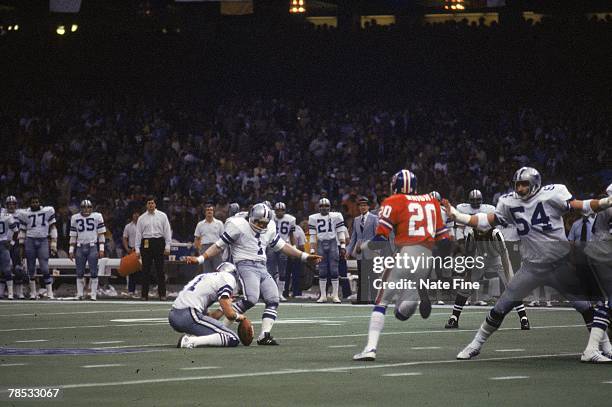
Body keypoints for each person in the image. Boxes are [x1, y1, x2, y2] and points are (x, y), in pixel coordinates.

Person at [447, 167, 612, 363]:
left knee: (585, 307)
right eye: (518, 184)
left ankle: (603, 348)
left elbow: (580, 205)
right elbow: (486, 220)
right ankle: (474, 345)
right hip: (531, 267)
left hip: (560, 265)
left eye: (524, 184)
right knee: (501, 307)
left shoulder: (553, 194)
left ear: (534, 184)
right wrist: (458, 216)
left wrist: (604, 202)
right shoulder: (509, 202)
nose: (520, 188)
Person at [186, 203, 321, 345]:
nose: (261, 226)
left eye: (264, 223)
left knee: (273, 299)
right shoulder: (238, 225)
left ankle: (264, 335)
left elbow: (283, 246)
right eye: (259, 222)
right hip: (245, 265)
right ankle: (221, 329)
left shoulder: (270, 228)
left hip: (262, 266)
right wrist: (200, 258)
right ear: (251, 217)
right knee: (251, 298)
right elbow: (219, 245)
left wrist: (304, 256)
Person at [353, 169, 449, 361]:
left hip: (405, 253)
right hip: (426, 258)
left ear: (396, 185)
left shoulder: (393, 201)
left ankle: (370, 348)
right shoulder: (431, 201)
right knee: (402, 311)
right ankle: (416, 297)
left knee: (381, 302)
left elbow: (380, 238)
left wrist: (362, 246)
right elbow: (444, 240)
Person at [444, 189, 530, 330]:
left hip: (497, 258)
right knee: (466, 286)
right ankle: (454, 317)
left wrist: (509, 277)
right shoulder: (472, 234)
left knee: (512, 285)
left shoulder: (496, 234)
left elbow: (504, 255)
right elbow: (470, 254)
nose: (481, 230)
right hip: (480, 258)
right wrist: (469, 271)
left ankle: (524, 318)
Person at [170, 262, 242, 348]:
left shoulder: (204, 277)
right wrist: (240, 317)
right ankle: (190, 341)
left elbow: (210, 317)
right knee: (232, 338)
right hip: (189, 315)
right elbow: (230, 315)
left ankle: (194, 337)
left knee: (209, 327)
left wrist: (223, 308)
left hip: (174, 315)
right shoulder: (228, 277)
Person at [18, 195, 57, 299]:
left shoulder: (47, 210)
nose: (35, 204)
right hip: (30, 240)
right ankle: (33, 293)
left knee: (44, 267)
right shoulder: (25, 213)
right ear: (30, 203)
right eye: (33, 202)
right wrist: (21, 246)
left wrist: (54, 242)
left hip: (43, 240)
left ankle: (50, 292)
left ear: (40, 202)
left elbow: (53, 227)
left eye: (36, 202)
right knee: (31, 268)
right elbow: (22, 231)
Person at [308, 198, 347, 303]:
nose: (324, 208)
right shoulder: (313, 218)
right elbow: (312, 235)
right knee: (322, 270)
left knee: (334, 270)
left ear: (329, 207)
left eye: (326, 206)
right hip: (321, 243)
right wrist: (312, 249)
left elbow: (340, 232)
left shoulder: (336, 216)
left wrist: (343, 246)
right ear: (318, 207)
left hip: (333, 243)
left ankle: (335, 295)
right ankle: (323, 296)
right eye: (322, 206)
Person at [135, 196, 172, 301]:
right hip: (146, 243)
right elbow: (138, 234)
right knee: (145, 270)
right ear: (146, 205)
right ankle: (144, 295)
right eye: (149, 203)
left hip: (159, 242)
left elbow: (167, 231)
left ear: (155, 204)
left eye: (152, 203)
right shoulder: (142, 218)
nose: (151, 205)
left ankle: (162, 294)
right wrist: (137, 249)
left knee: (160, 270)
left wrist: (168, 246)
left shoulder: (162, 216)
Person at [69, 200, 106, 300]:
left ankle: (93, 293)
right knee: (79, 272)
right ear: (81, 208)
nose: (86, 209)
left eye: (88, 207)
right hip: (80, 246)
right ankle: (80, 293)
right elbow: (73, 235)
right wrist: (71, 250)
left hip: (92, 246)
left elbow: (101, 234)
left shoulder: (97, 216)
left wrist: (101, 249)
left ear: (92, 208)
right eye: (84, 207)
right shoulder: (75, 218)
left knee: (94, 271)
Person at [347, 196, 378, 302]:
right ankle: (362, 298)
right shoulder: (356, 220)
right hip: (360, 252)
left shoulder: (374, 218)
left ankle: (374, 298)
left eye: (364, 205)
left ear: (368, 206)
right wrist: (349, 251)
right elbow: (353, 238)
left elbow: (378, 236)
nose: (363, 207)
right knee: (362, 276)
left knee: (373, 276)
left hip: (371, 251)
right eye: (361, 205)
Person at [268, 202, 296, 301]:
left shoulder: (291, 219)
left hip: (283, 246)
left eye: (282, 210)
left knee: (282, 272)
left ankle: (280, 293)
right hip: (271, 246)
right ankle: (271, 293)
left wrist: (294, 247)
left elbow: (291, 235)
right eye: (277, 210)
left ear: (285, 211)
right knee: (270, 271)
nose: (280, 212)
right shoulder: (270, 217)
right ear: (274, 211)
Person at [193, 203, 224, 272]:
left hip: (216, 248)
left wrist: (221, 250)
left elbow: (223, 238)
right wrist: (200, 251)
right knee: (207, 271)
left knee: (218, 271)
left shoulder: (219, 223)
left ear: (213, 212)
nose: (209, 211)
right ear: (205, 212)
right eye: (207, 210)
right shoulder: (200, 224)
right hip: (204, 248)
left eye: (211, 210)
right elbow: (197, 239)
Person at [0, 203, 19, 299]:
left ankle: (10, 293)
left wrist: (11, 243)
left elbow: (16, 231)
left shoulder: (7, 216)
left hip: (3, 243)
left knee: (7, 269)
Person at [122, 211, 140, 297]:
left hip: (141, 250)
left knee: (143, 271)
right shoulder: (128, 226)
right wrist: (127, 248)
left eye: (137, 214)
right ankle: (131, 290)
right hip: (131, 249)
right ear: (132, 215)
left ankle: (143, 290)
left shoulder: (143, 226)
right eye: (134, 214)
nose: (136, 215)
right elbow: (125, 238)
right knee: (132, 270)